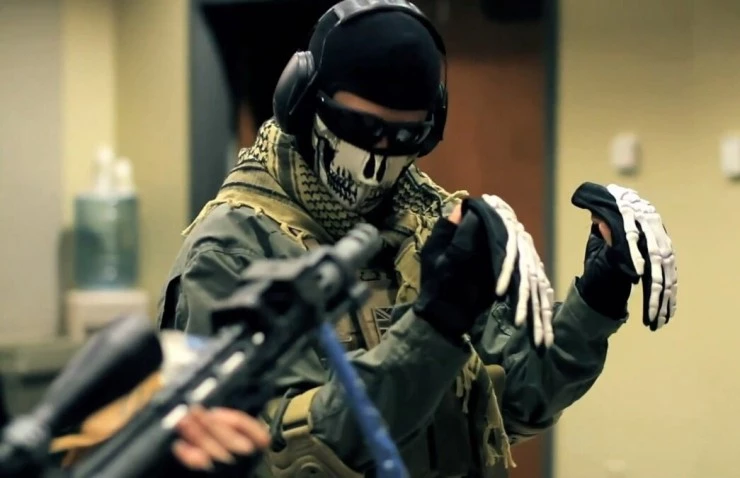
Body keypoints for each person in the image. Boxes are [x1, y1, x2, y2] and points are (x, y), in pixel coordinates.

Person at [65, 1, 677, 477]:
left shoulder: (426, 222)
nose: (376, 158)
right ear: (303, 101)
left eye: (401, 137)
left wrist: (597, 297)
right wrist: (434, 327)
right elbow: (288, 455)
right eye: (359, 127)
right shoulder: (233, 247)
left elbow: (514, 403)